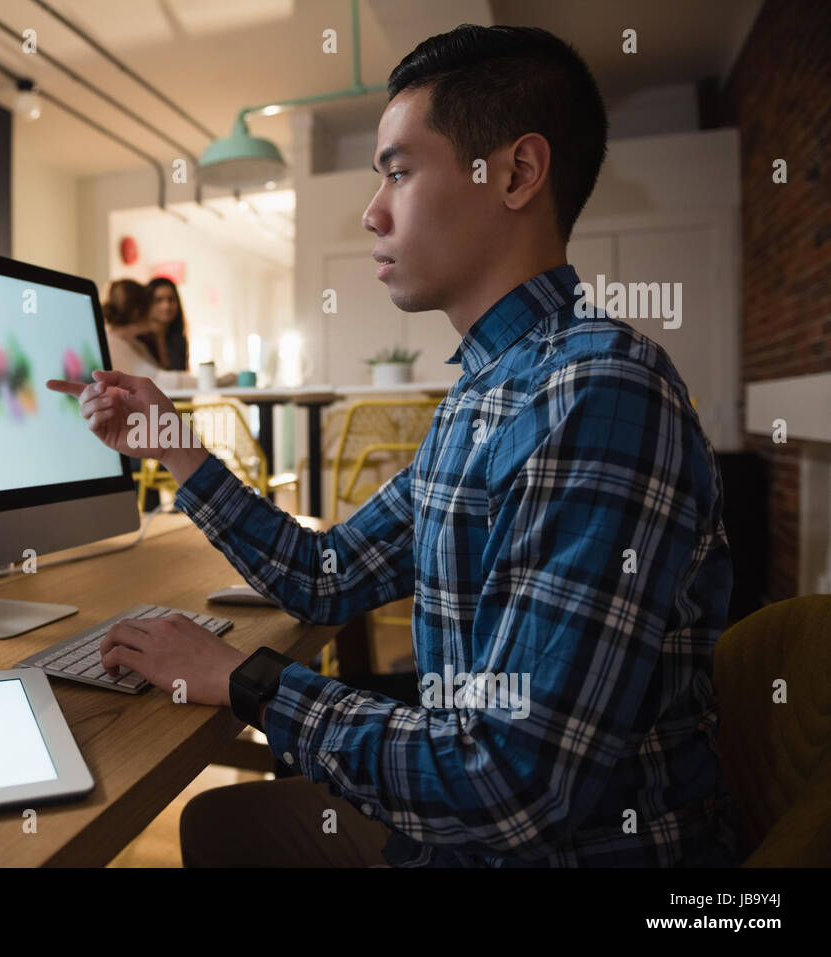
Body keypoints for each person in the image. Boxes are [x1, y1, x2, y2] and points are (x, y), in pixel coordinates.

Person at [48, 24, 739, 867]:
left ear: (515, 173)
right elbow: (327, 575)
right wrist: (169, 439)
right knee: (220, 826)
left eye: (399, 172)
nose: (373, 211)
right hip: (468, 838)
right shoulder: (485, 397)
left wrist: (245, 680)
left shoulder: (594, 395)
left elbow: (510, 788)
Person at [102, 279, 235, 390]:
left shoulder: (131, 344)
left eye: (170, 299)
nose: (163, 307)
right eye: (155, 302)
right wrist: (218, 381)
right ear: (138, 312)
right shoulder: (113, 345)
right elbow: (158, 381)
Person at [144, 277, 190, 373]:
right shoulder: (139, 340)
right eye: (158, 300)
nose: (166, 306)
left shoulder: (179, 340)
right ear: (147, 303)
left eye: (171, 299)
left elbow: (182, 375)